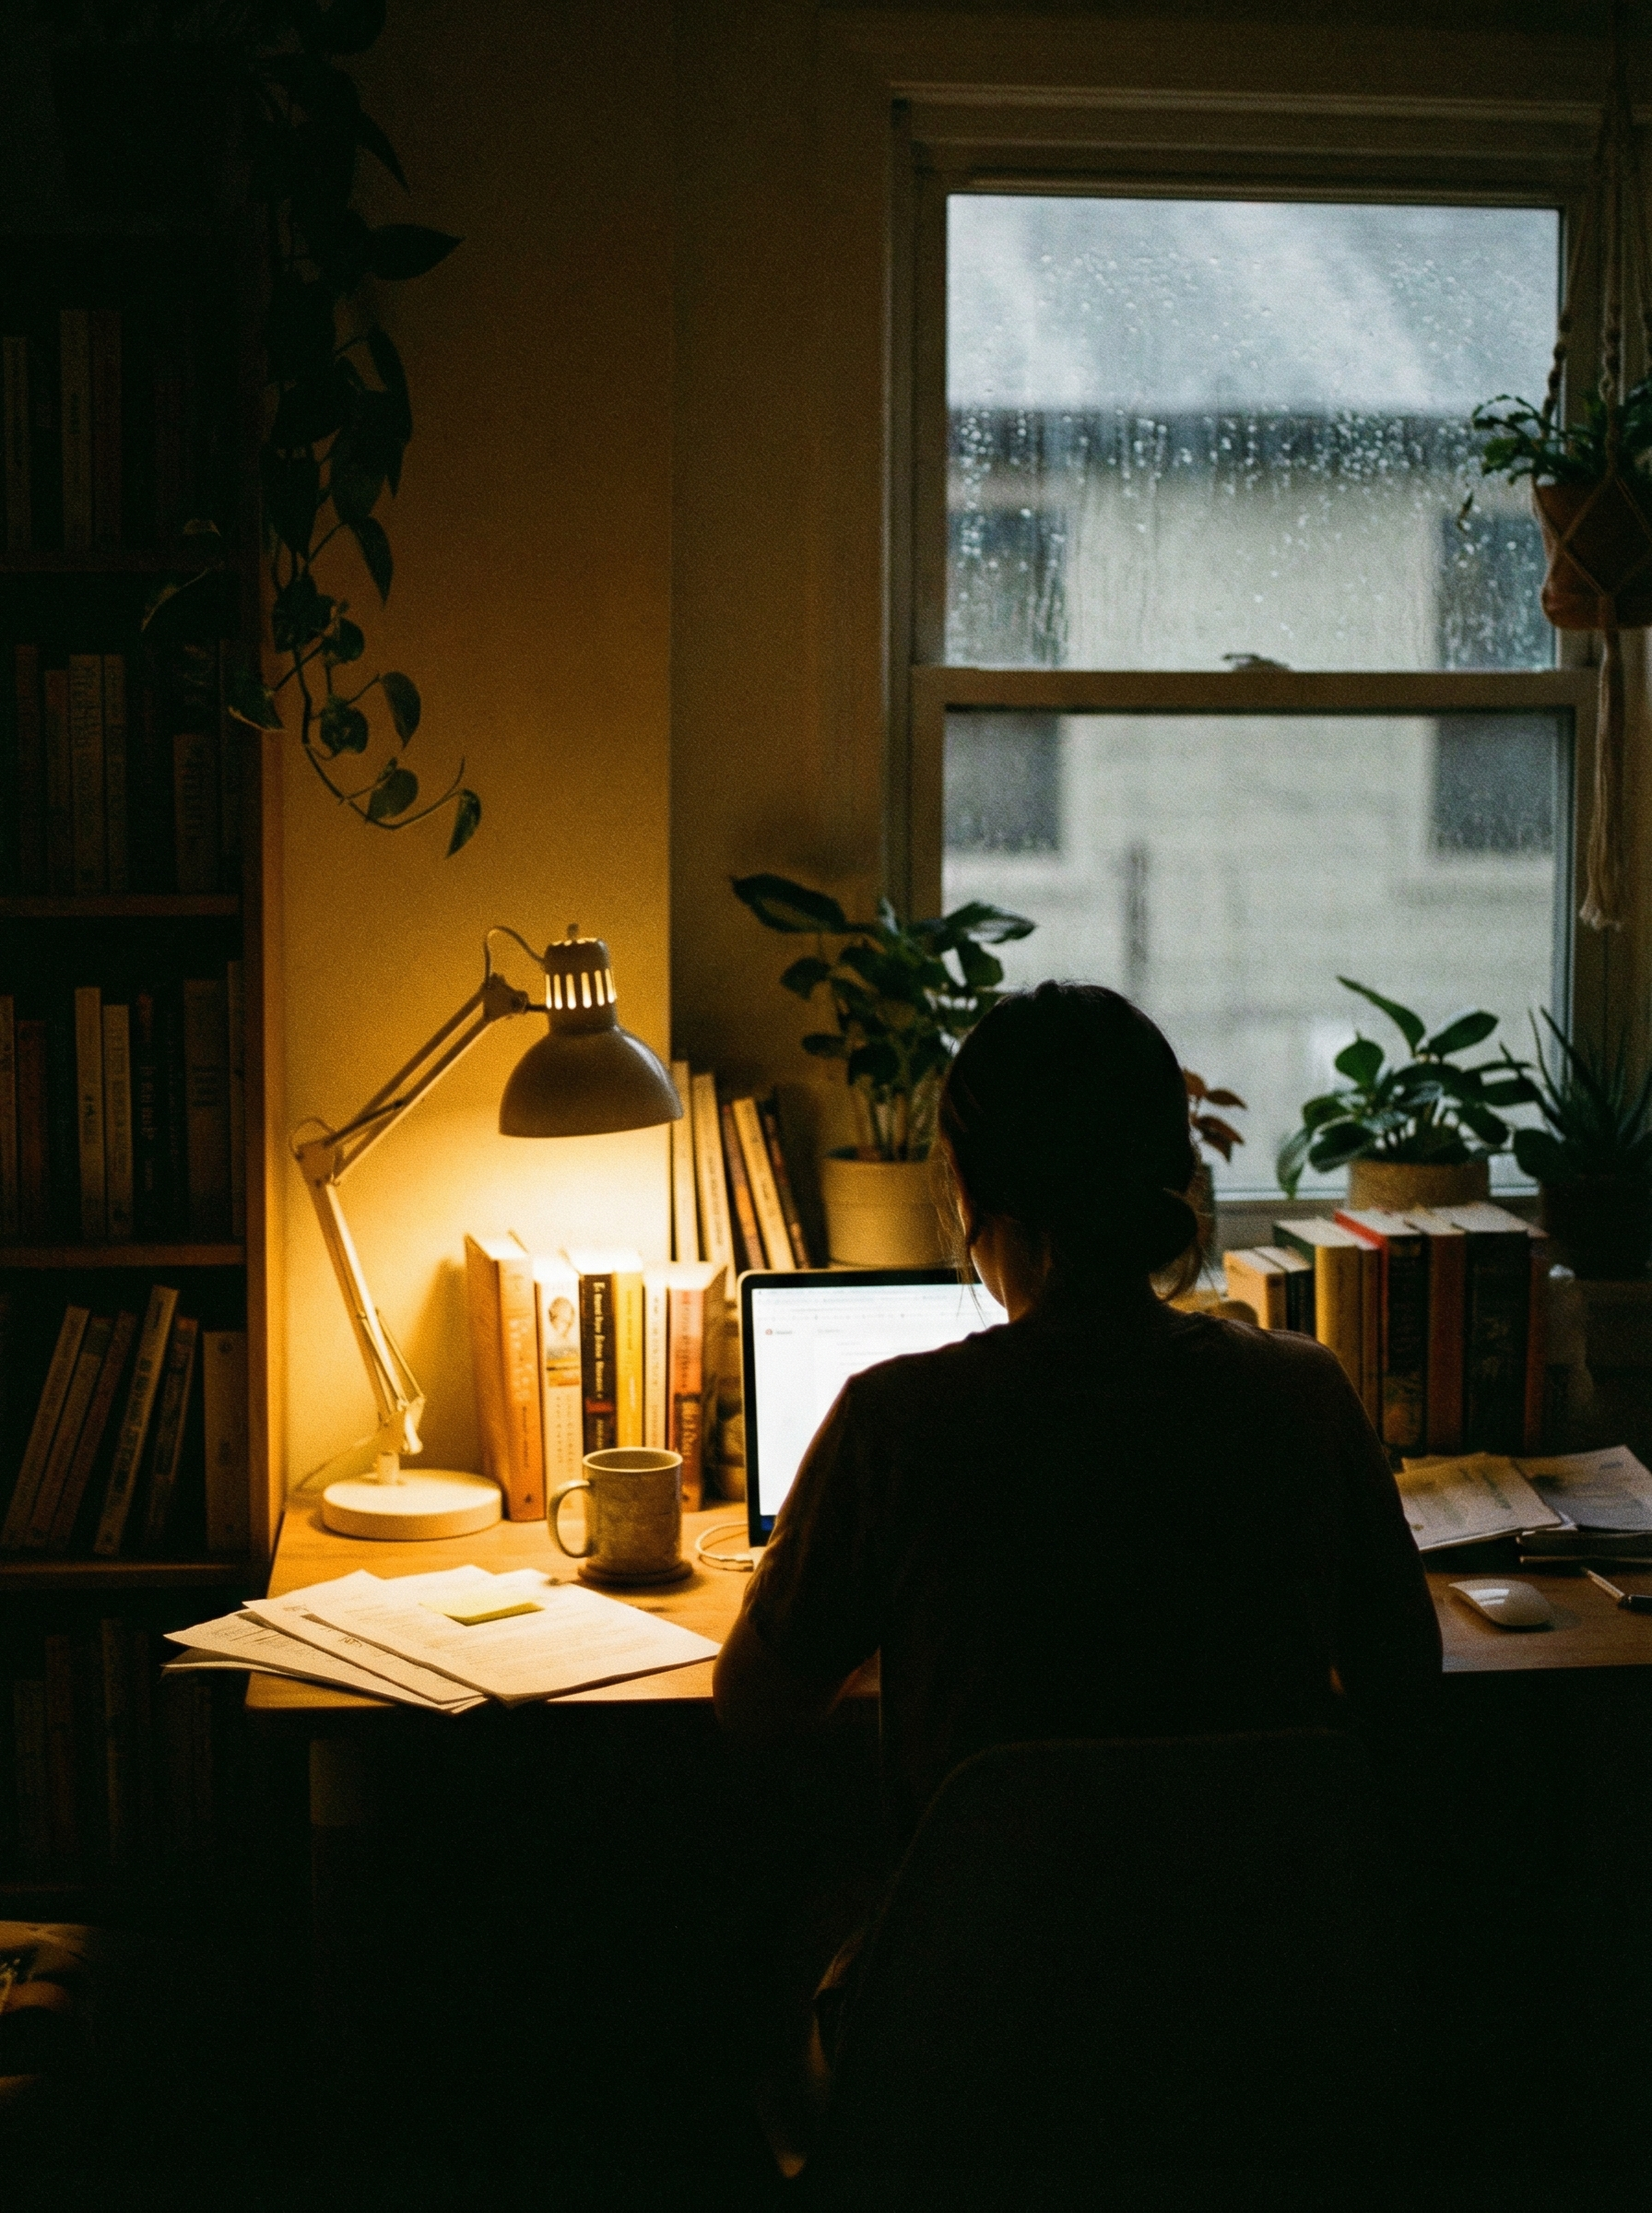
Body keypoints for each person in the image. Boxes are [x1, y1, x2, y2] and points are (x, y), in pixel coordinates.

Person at [713, 982, 1441, 2146]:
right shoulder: (1302, 1397)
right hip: (1253, 2027)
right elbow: (1406, 1680)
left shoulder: (897, 1424)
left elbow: (752, 1707)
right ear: (1173, 1175)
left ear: (964, 1188)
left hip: (979, 2040)